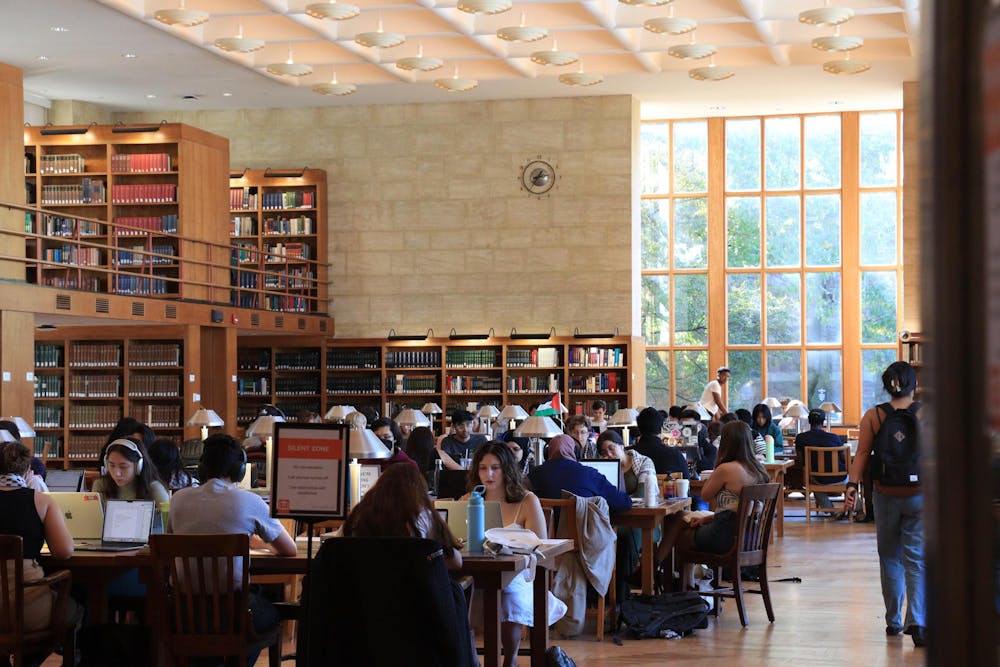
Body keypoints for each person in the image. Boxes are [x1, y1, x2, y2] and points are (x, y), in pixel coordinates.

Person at [168, 433, 297, 667]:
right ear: (240, 471)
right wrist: (258, 541)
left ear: (202, 468)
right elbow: (290, 549)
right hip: (233, 615)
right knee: (272, 613)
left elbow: (170, 543)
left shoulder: (178, 500)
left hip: (183, 615)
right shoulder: (249, 501)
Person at [844, 361, 926, 647]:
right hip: (920, 494)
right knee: (916, 558)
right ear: (914, 385)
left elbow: (862, 455)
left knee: (890, 557)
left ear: (887, 385)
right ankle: (917, 621)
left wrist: (852, 487)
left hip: (886, 493)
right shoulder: (928, 414)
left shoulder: (874, 415)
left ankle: (893, 622)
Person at [466, 442, 564, 667]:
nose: (488, 474)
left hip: (520, 574)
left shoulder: (527, 500)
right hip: (479, 573)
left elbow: (541, 548)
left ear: (507, 469)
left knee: (508, 593)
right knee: (458, 593)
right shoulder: (469, 501)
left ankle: (510, 659)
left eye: (495, 468)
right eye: (482, 468)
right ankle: (470, 658)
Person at [655, 421, 769, 587]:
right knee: (681, 519)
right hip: (749, 539)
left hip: (725, 538)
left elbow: (705, 495)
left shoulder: (726, 469)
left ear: (726, 443)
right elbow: (741, 511)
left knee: (680, 533)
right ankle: (681, 585)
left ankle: (679, 587)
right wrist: (706, 519)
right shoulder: (759, 470)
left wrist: (718, 467)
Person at [0, 440, 81, 651]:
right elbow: (64, 552)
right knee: (76, 608)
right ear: (28, 470)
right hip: (28, 610)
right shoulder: (41, 501)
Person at [343, 462, 462, 570]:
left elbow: (337, 547)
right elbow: (456, 562)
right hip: (414, 590)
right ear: (419, 491)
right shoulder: (423, 517)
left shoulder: (357, 517)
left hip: (363, 591)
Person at [527, 435, 632, 513]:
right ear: (576, 453)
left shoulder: (533, 475)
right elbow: (623, 503)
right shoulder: (589, 474)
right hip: (584, 540)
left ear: (547, 453)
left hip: (543, 538)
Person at [795, 409, 847, 510]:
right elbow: (844, 458)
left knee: (812, 478)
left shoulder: (801, 438)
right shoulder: (834, 437)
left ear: (809, 421)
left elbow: (800, 461)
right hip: (839, 477)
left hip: (817, 478)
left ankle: (831, 510)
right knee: (851, 480)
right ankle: (859, 511)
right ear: (823, 422)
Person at [92, 437, 169, 504]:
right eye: (111, 465)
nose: (116, 473)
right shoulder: (101, 485)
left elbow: (168, 519)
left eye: (123, 467)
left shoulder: (153, 488)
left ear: (138, 466)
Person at [631, 407, 689, 479]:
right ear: (661, 428)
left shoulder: (629, 454)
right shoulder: (674, 454)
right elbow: (686, 481)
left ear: (639, 428)